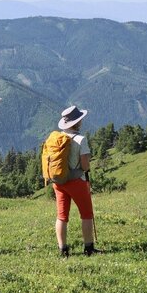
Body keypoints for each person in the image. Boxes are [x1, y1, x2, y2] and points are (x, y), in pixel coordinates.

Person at [53, 106, 101, 257]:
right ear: (77, 122)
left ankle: (63, 250)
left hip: (59, 181)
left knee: (62, 216)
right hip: (77, 181)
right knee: (86, 214)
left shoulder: (56, 138)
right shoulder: (81, 140)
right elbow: (85, 165)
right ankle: (89, 248)